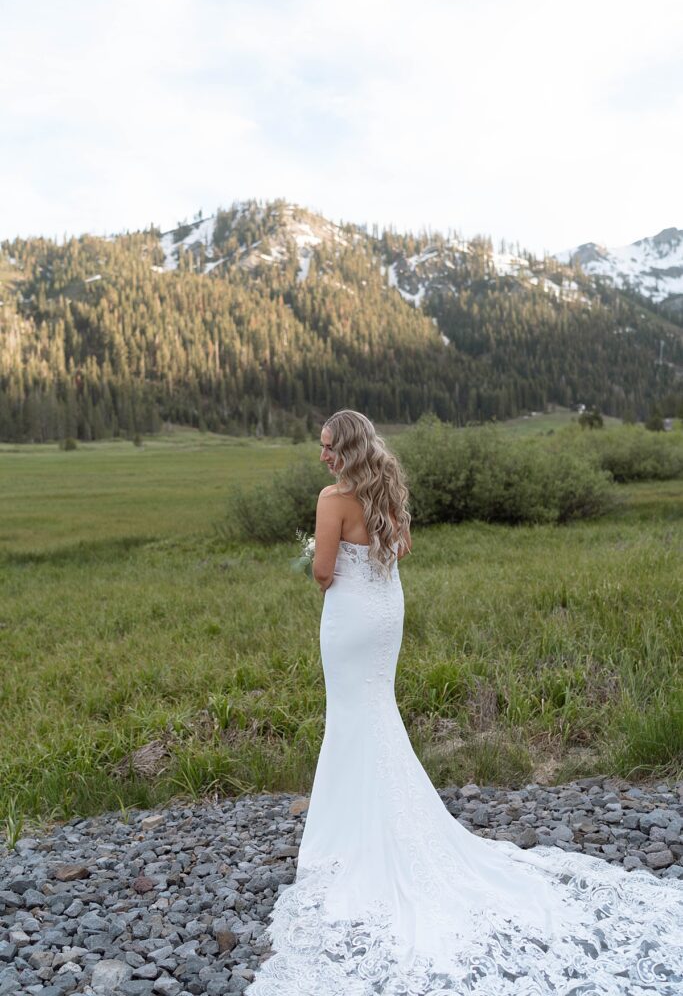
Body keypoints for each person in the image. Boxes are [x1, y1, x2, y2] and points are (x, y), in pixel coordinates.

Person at [246, 410, 683, 995]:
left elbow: (324, 573)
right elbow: (401, 547)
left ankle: (348, 839)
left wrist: (316, 560)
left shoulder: (332, 498)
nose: (322, 455)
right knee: (374, 712)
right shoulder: (386, 485)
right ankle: (379, 822)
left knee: (353, 717)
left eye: (328, 446)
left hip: (350, 619)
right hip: (385, 614)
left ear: (346, 448)